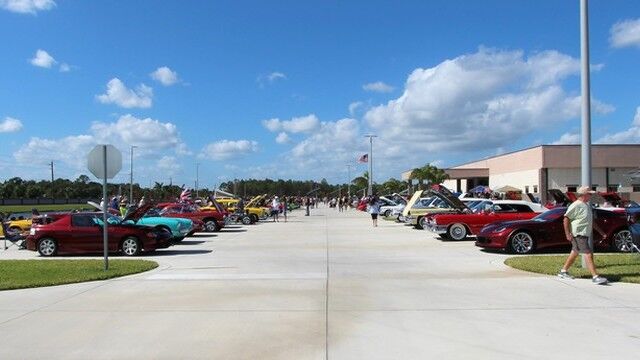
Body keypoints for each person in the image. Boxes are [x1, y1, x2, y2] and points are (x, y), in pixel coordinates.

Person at [558, 186, 608, 285]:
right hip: (579, 234)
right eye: (589, 194)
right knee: (588, 254)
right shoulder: (576, 205)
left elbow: (591, 222)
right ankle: (595, 277)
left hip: (583, 234)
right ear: (584, 194)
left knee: (575, 252)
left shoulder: (585, 205)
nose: (591, 195)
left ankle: (563, 271)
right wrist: (567, 234)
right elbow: (566, 219)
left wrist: (601, 232)